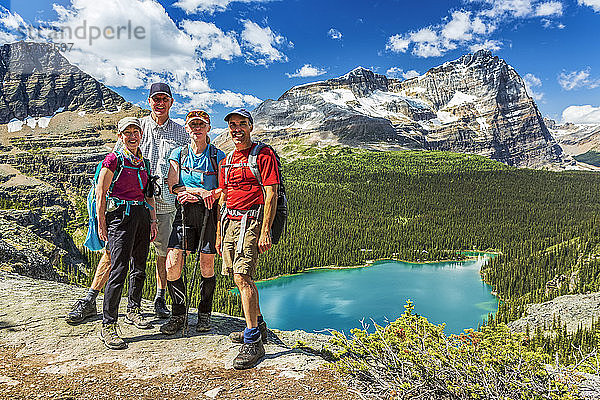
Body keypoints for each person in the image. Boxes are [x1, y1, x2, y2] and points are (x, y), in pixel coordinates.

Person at [66, 83, 189, 324]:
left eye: (164, 98)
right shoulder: (137, 126)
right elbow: (112, 166)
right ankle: (91, 298)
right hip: (128, 204)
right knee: (113, 253)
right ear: (149, 101)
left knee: (161, 253)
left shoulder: (181, 133)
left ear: (171, 102)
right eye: (156, 99)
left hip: (163, 203)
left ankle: (159, 298)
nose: (160, 103)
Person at [216, 108, 279, 369]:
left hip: (251, 222)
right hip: (230, 221)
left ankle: (253, 340)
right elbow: (223, 196)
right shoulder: (227, 160)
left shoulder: (263, 155)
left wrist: (266, 230)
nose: (237, 129)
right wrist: (219, 234)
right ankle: (259, 325)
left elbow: (271, 194)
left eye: (242, 124)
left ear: (251, 127)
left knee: (243, 277)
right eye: (232, 125)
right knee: (235, 275)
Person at [159, 110, 225, 335]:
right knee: (172, 265)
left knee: (207, 266)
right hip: (185, 212)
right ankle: (179, 314)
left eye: (201, 124)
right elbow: (173, 184)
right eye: (193, 125)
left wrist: (208, 193)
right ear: (187, 128)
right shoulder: (179, 154)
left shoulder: (218, 156)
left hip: (209, 214)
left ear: (208, 127)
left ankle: (204, 315)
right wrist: (194, 191)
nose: (197, 128)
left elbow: (224, 189)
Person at [97, 117, 158, 349]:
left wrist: (152, 220)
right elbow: (101, 192)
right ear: (120, 135)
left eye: (136, 132)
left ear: (141, 135)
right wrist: (102, 223)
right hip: (120, 217)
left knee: (140, 265)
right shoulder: (114, 159)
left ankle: (133, 309)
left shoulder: (144, 161)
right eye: (127, 133)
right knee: (119, 267)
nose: (132, 136)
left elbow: (148, 192)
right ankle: (109, 324)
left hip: (141, 214)